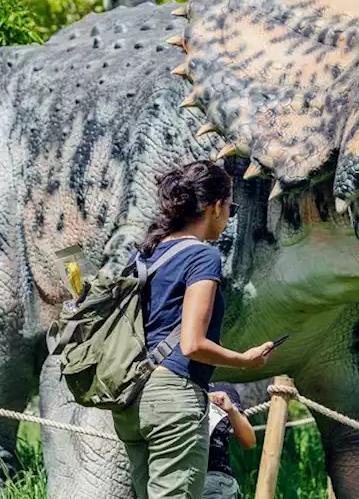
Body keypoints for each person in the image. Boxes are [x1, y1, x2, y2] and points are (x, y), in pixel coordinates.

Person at [112, 161, 277, 499]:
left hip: (131, 398)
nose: (229, 215)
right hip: (173, 398)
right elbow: (192, 344)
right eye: (230, 207)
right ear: (216, 206)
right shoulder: (202, 257)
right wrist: (244, 360)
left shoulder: (143, 256)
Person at [204, 383, 255, 498]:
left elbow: (249, 441)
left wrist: (232, 410)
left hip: (213, 479)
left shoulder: (221, 391)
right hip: (169, 476)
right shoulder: (162, 388)